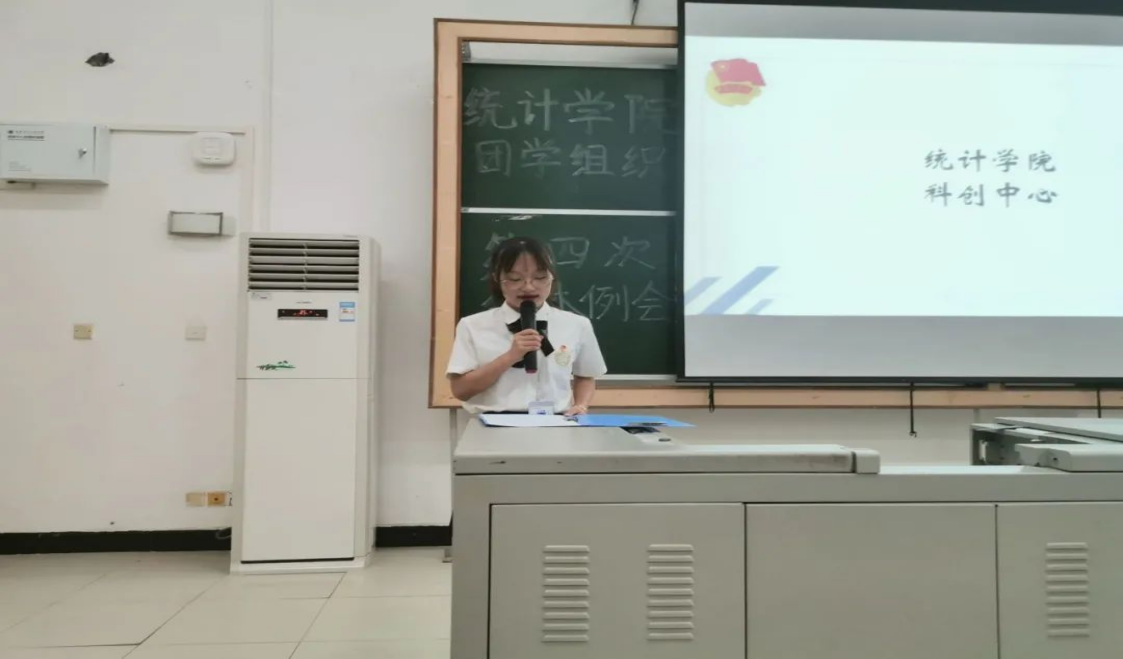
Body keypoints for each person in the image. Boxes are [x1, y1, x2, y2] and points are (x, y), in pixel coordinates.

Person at [447, 236, 607, 415]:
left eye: (540, 277)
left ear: (552, 278)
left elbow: (585, 375)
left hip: (556, 421)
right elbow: (460, 390)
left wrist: (581, 405)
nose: (528, 287)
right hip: (494, 423)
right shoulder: (472, 325)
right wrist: (510, 356)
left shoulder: (577, 324)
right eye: (515, 279)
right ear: (497, 279)